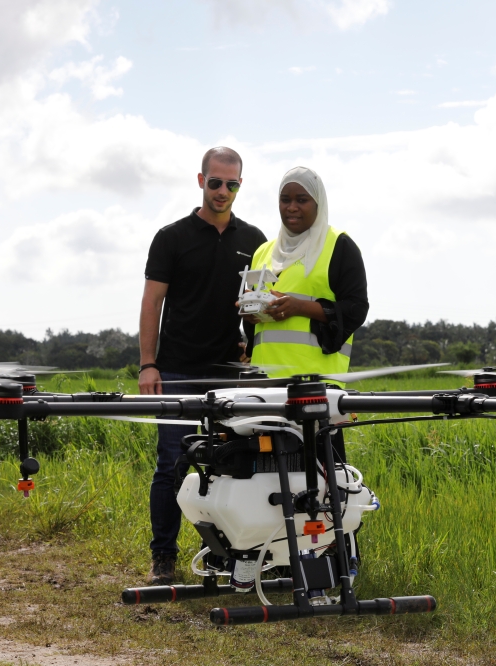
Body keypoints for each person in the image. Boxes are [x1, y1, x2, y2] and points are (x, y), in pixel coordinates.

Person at [138, 146, 267, 585]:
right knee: (172, 464)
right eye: (216, 182)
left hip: (229, 374)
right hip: (175, 370)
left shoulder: (254, 241)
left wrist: (253, 349)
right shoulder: (171, 237)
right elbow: (152, 303)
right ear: (200, 181)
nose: (223, 191)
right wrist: (148, 364)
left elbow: (259, 305)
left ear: (240, 186)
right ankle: (163, 559)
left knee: (230, 465)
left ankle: (222, 557)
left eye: (232, 184)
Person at [246, 166, 369, 461]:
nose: (292, 207)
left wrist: (299, 307)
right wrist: (250, 312)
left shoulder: (338, 245)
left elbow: (356, 309)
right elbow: (256, 330)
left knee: (324, 483)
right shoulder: (263, 252)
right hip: (267, 386)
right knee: (268, 479)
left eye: (302, 199)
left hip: (316, 388)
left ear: (318, 202)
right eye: (285, 199)